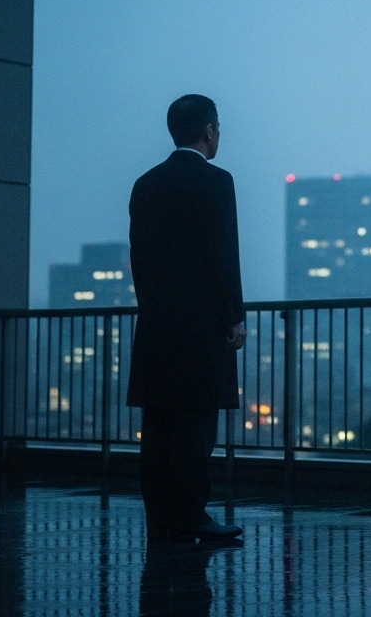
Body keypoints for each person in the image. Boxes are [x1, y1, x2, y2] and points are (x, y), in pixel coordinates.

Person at [127, 94, 247, 544]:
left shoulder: (146, 184)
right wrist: (232, 317)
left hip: (157, 325)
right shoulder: (217, 182)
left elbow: (140, 258)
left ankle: (160, 516)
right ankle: (193, 515)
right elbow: (223, 255)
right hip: (202, 328)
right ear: (209, 131)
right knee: (196, 429)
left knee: (157, 429)